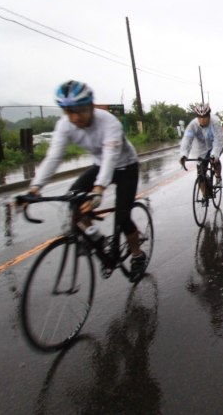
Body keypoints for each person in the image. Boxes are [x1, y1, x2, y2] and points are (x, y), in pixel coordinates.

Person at [27, 80, 147, 278]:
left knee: (123, 217)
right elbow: (54, 156)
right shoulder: (65, 125)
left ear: (91, 105)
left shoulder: (109, 123)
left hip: (125, 166)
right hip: (101, 165)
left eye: (80, 110)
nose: (75, 117)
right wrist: (34, 188)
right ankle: (98, 241)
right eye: (68, 111)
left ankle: (137, 254)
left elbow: (111, 156)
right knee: (74, 199)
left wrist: (99, 189)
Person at [179, 103, 223, 183]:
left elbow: (218, 141)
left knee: (215, 161)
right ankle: (205, 194)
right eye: (200, 117)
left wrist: (214, 155)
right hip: (201, 149)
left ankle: (218, 177)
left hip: (214, 146)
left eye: (205, 117)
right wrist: (183, 155)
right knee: (200, 176)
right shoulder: (193, 125)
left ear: (209, 116)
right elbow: (187, 140)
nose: (202, 119)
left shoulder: (215, 124)